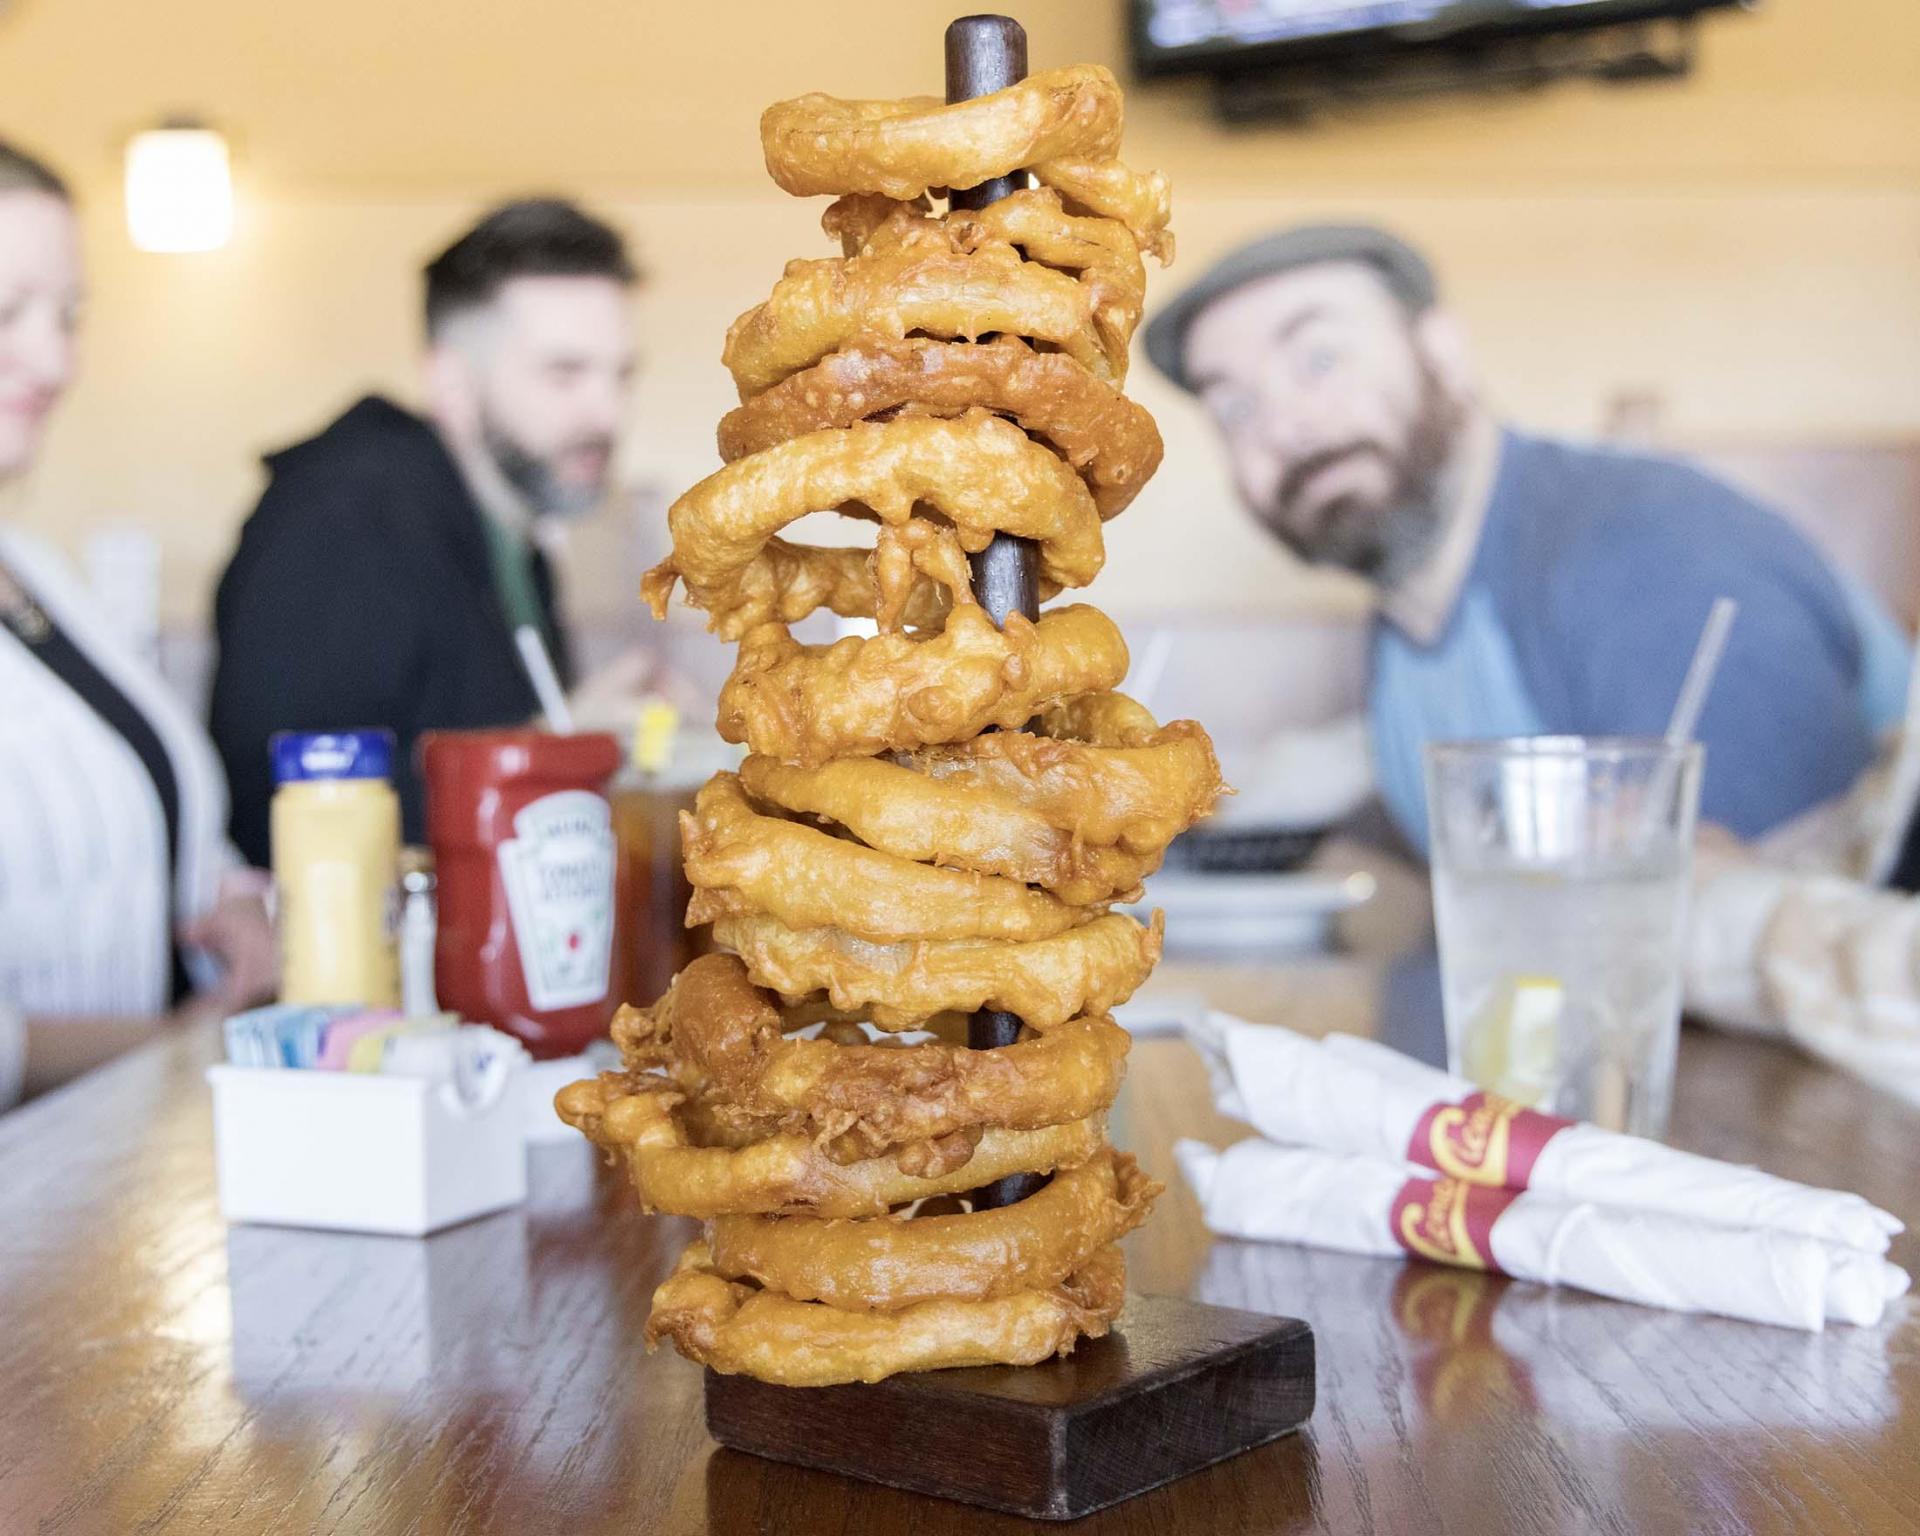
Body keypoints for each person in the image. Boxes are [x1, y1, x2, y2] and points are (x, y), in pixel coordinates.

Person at [1144, 223, 1913, 854]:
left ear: (1442, 352)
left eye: (1320, 359)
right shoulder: (1407, 596)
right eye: (1235, 408)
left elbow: (1775, 929)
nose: (1285, 424)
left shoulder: (1649, 555)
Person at [210, 198, 658, 866]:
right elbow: (273, 807)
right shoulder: (342, 515)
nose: (607, 413)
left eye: (621, 375)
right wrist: (553, 745)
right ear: (450, 381)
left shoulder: (519, 540)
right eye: (564, 373)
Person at [0, 139, 275, 1108]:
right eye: (8, 312)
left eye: (68, 316)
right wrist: (171, 1046)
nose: (56, 359)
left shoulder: (36, 571)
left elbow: (141, 799)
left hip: (122, 1157)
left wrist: (232, 907)